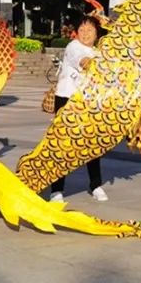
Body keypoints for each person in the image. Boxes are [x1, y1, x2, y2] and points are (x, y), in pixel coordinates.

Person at [50, 15, 108, 203]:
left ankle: (96, 184)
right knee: (62, 145)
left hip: (89, 102)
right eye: (82, 30)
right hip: (67, 99)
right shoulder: (73, 46)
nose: (85, 34)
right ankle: (56, 190)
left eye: (89, 30)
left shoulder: (99, 52)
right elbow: (82, 61)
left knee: (92, 144)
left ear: (97, 33)